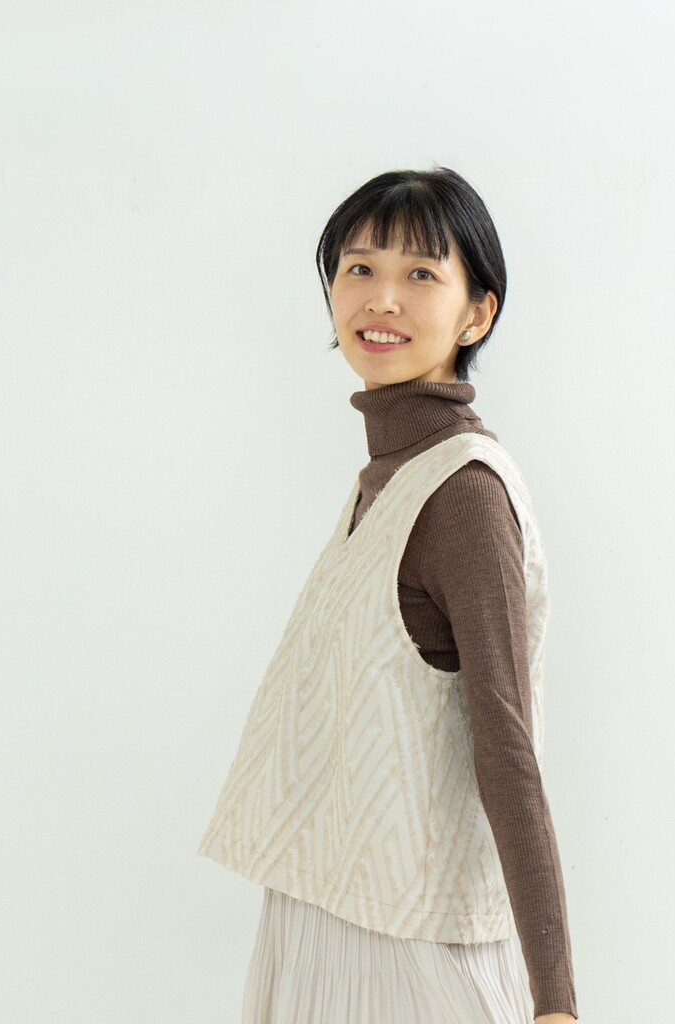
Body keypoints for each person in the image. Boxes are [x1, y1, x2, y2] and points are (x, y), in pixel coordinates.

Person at [198, 166, 579, 1023]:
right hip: (325, 914)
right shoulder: (386, 478)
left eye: (421, 274)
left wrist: (555, 1001)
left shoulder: (463, 494)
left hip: (406, 954)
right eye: (360, 268)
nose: (381, 299)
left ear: (477, 313)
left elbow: (507, 746)